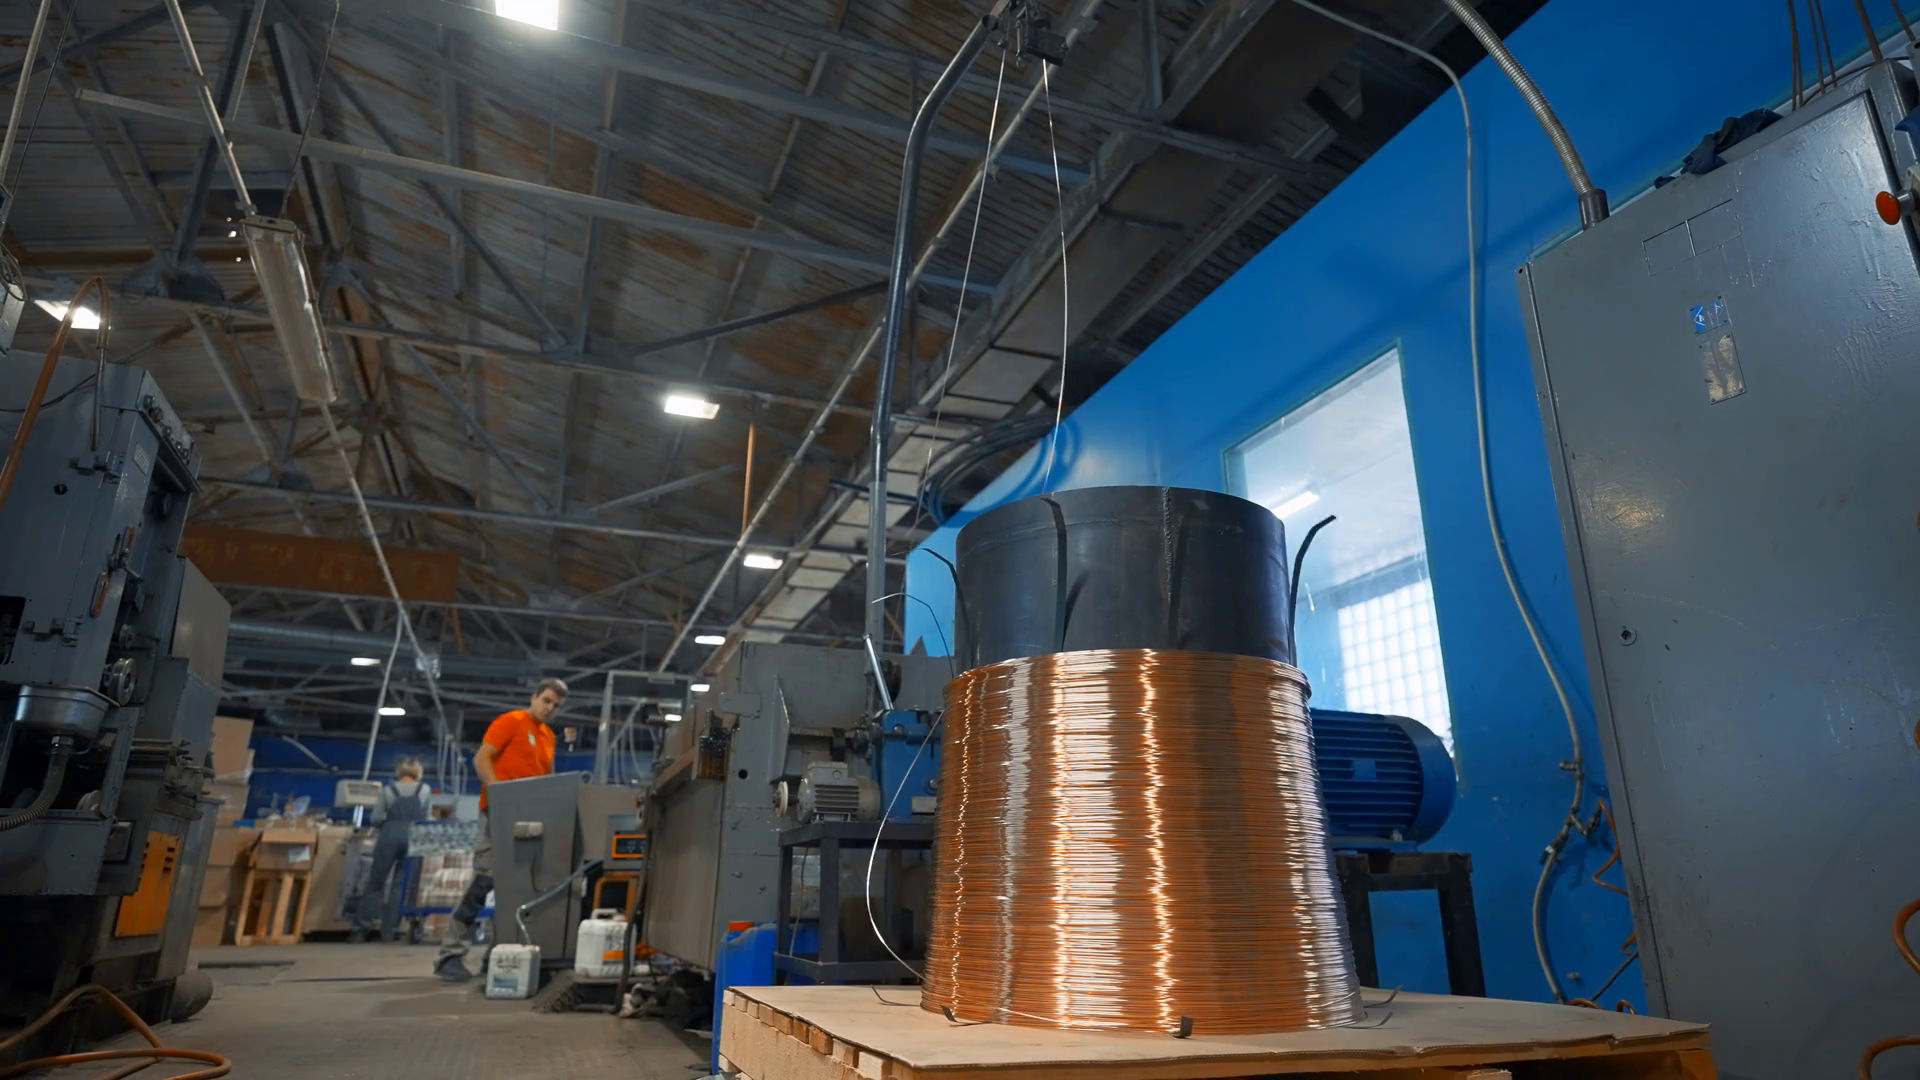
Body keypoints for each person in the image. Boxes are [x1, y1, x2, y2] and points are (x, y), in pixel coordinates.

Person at [434, 677, 567, 980]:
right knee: (484, 882)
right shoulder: (511, 721)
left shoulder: (547, 736)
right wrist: (499, 794)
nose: (549, 708)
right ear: (534, 697)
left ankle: (495, 956)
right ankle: (450, 954)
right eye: (546, 700)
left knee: (515, 890)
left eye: (556, 705)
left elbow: (545, 780)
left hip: (528, 821)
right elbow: (482, 759)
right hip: (498, 814)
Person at [350, 758, 430, 944]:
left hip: (389, 835)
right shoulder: (424, 790)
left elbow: (375, 818)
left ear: (399, 771)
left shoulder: (388, 790)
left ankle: (360, 930)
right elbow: (426, 818)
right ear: (418, 772)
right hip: (413, 837)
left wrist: (389, 822)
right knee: (400, 887)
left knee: (375, 883)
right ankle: (389, 931)